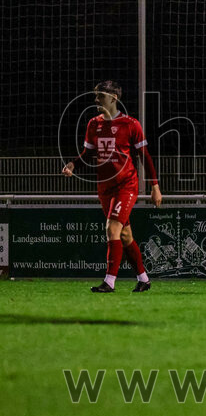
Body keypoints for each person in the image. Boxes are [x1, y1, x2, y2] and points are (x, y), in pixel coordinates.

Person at [62, 81, 162, 292]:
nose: (96, 100)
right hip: (104, 187)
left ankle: (109, 282)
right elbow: (88, 154)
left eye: (100, 96)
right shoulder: (93, 124)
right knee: (125, 235)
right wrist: (73, 164)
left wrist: (155, 186)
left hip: (126, 185)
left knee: (112, 228)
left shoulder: (131, 124)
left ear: (114, 99)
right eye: (96, 96)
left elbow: (145, 156)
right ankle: (144, 279)